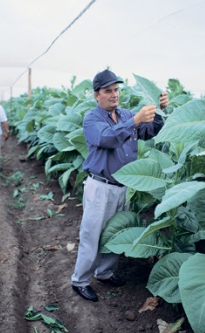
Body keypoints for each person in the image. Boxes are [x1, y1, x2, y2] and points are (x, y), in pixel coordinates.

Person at [71, 69, 169, 302]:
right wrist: (134, 121)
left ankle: (104, 273)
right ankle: (80, 280)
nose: (114, 95)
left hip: (123, 186)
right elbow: (106, 138)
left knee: (114, 233)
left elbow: (148, 131)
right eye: (108, 91)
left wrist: (159, 111)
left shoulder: (125, 114)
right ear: (97, 95)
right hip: (100, 186)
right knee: (91, 234)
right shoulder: (92, 118)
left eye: (116, 90)